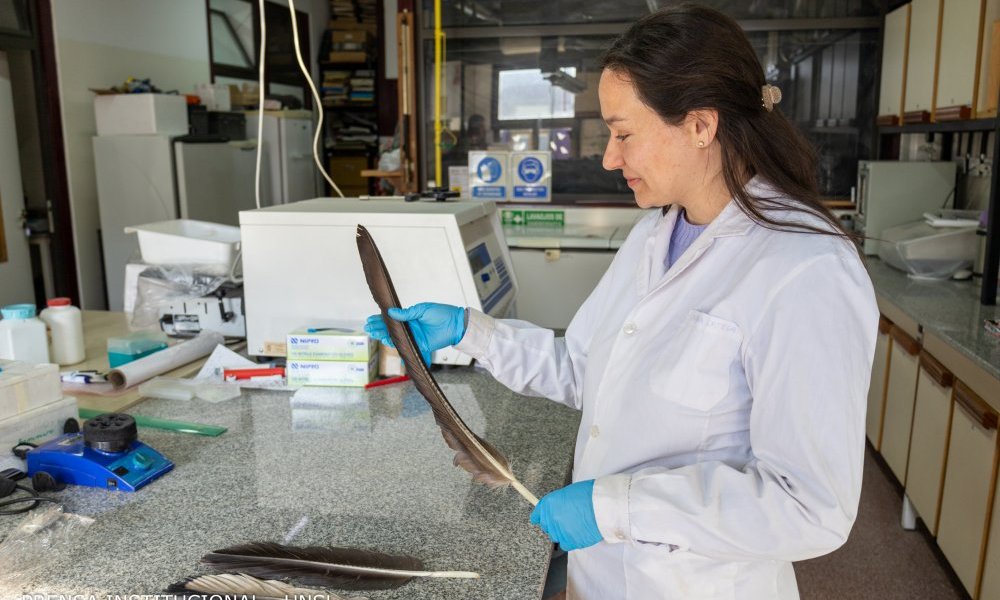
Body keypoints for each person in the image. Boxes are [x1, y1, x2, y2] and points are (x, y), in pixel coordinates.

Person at [365, 5, 878, 599]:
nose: (610, 157)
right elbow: (585, 369)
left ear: (700, 125)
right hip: (605, 575)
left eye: (624, 133)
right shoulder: (654, 234)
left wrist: (617, 507)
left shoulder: (805, 269)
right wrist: (469, 332)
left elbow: (810, 506)